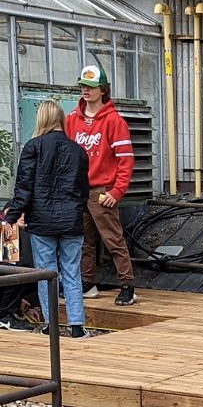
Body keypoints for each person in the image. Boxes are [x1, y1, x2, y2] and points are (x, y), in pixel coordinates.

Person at [4, 100, 90, 337]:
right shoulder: (78, 151)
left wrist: (12, 216)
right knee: (72, 272)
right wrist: (76, 211)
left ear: (41, 119)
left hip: (42, 222)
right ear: (61, 120)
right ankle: (77, 327)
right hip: (71, 221)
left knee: (46, 273)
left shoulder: (33, 147)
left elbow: (24, 188)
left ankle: (50, 325)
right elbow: (84, 191)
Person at [65, 64, 138, 306]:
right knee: (82, 239)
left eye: (91, 86)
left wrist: (116, 192)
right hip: (78, 191)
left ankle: (127, 285)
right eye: (83, 86)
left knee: (113, 238)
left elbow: (125, 161)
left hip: (102, 190)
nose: (86, 90)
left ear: (103, 90)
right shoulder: (71, 120)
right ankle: (88, 283)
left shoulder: (114, 121)